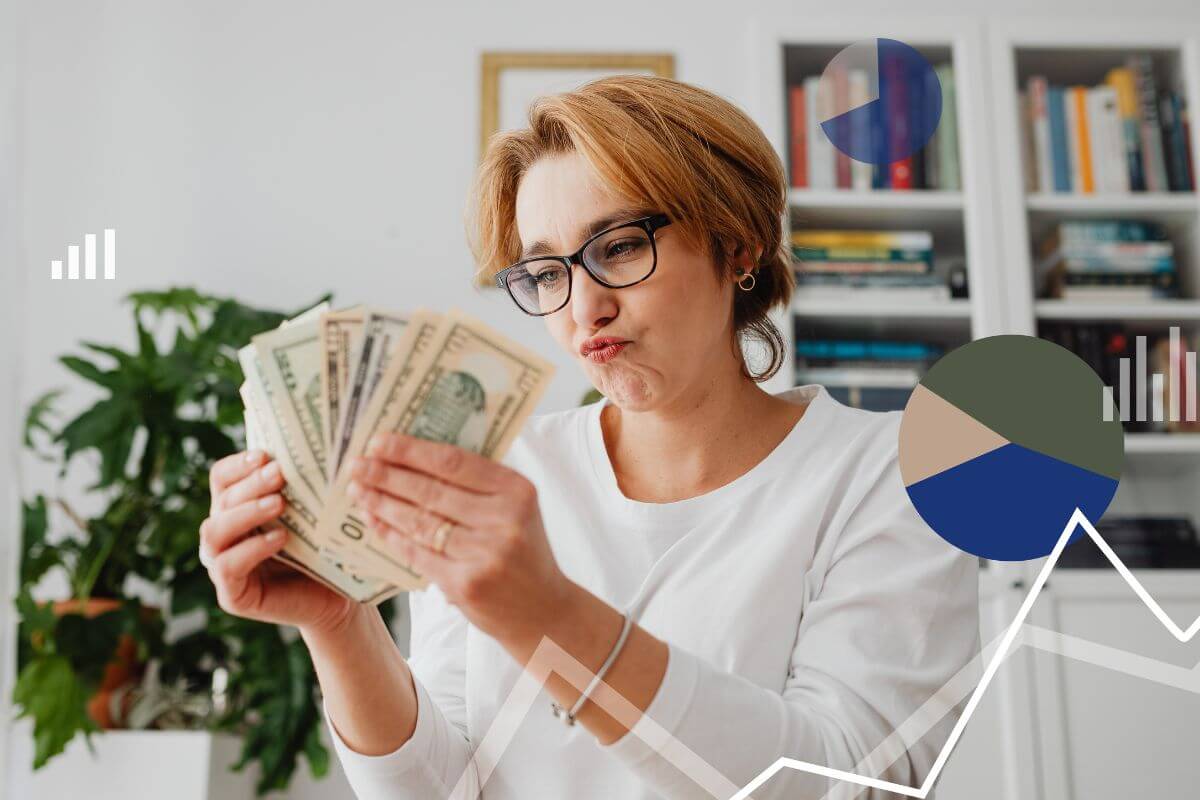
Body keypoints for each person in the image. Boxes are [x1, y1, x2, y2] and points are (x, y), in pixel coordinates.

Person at [199, 75, 980, 799]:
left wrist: (545, 613)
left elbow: (852, 783)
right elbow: (439, 789)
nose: (583, 309)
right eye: (545, 273)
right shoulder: (500, 470)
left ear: (737, 244)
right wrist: (338, 624)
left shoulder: (893, 475)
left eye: (619, 247)